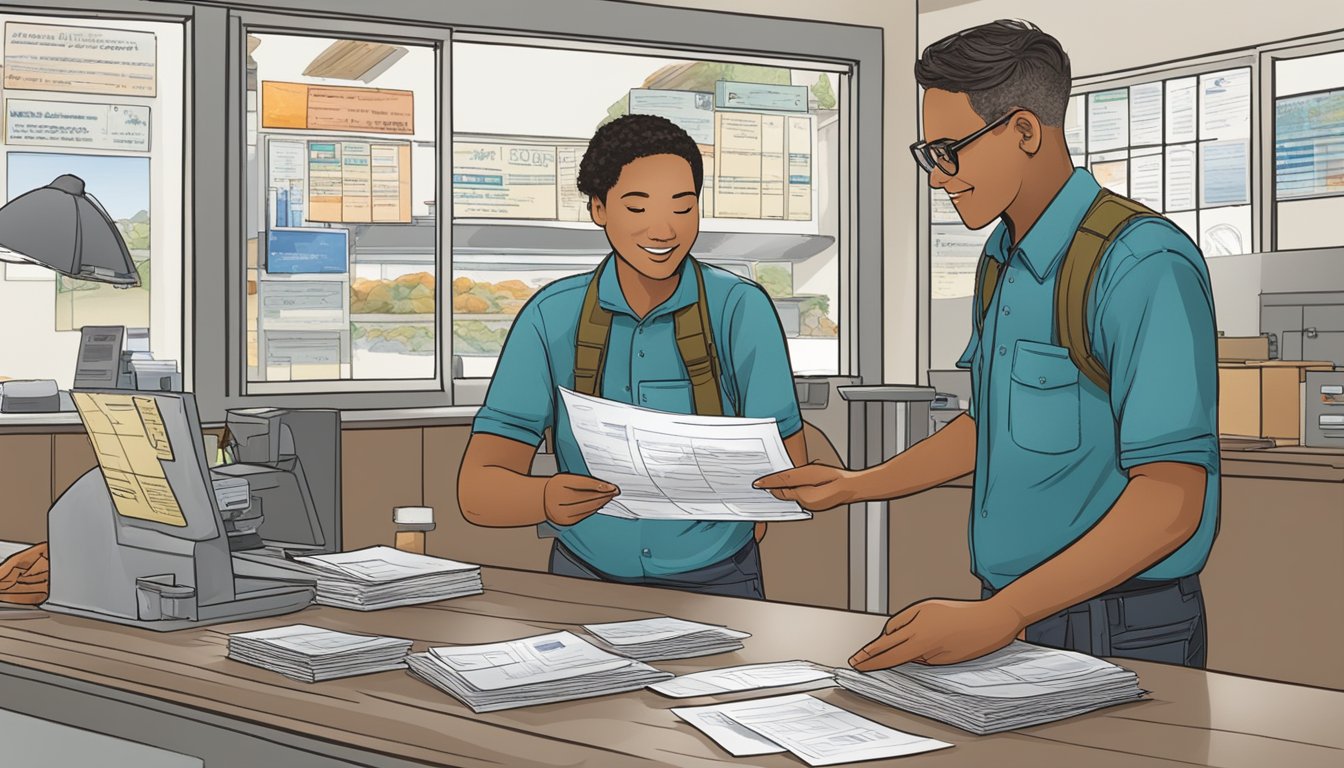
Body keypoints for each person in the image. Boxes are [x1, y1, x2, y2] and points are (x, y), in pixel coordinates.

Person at [757, 19, 1219, 669]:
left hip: (1117, 621)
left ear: (1025, 130)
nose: (938, 178)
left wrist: (1003, 614)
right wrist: (857, 485)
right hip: (1013, 609)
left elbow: (1171, 500)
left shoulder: (1142, 263)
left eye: (949, 151)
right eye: (929, 155)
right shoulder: (1001, 258)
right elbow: (991, 427)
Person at [458, 114, 807, 599]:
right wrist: (543, 497)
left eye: (683, 208)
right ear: (599, 208)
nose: (663, 230)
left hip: (722, 579)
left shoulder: (740, 309)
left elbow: (789, 468)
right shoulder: (552, 316)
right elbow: (477, 492)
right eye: (637, 207)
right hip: (584, 577)